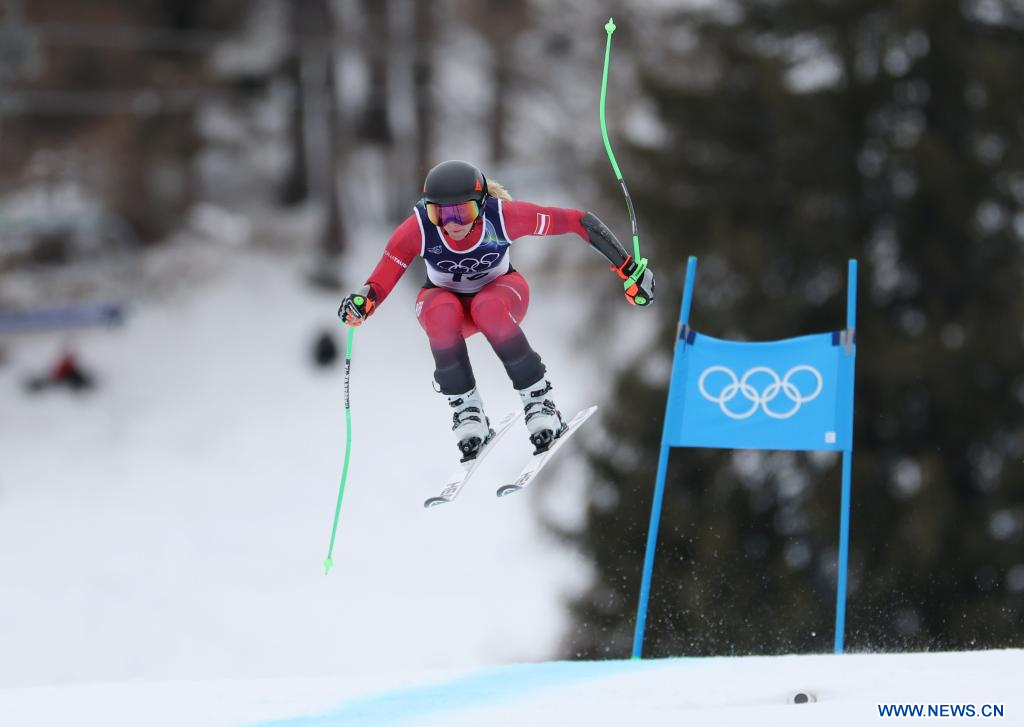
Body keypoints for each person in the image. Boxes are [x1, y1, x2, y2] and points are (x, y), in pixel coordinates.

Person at [338, 160, 655, 462]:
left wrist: (628, 268)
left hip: (502, 295)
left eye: (463, 212)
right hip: (448, 305)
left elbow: (578, 221)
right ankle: (466, 410)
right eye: (440, 214)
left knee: (486, 307)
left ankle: (538, 401)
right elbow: (380, 280)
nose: (452, 224)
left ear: (481, 205)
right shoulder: (418, 229)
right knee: (441, 311)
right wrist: (362, 304)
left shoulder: (503, 217)